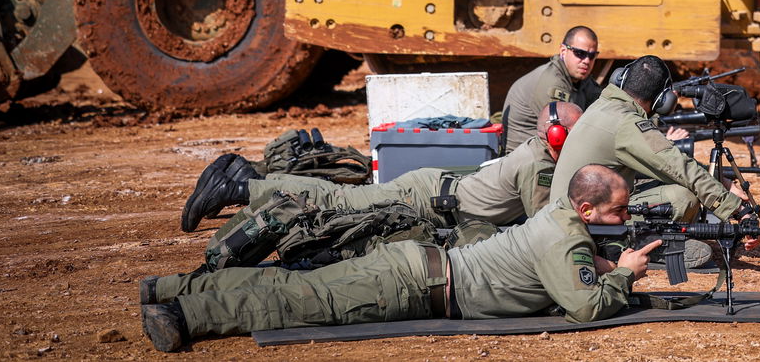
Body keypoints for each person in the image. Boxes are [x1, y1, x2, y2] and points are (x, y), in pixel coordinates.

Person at [140, 165, 661, 351]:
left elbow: (570, 266)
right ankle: (186, 316)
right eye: (616, 212)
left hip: (419, 268)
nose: (621, 219)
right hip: (415, 284)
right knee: (299, 301)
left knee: (297, 287)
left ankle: (169, 290)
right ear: (586, 206)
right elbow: (586, 307)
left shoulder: (558, 220)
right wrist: (627, 277)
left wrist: (605, 263)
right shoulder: (566, 239)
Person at [182, 103, 584, 248]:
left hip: (435, 193)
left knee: (336, 200)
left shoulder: (536, 152)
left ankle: (239, 177)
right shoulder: (538, 165)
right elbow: (542, 225)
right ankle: (237, 187)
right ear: (556, 135)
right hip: (426, 199)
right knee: (336, 202)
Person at [552, 55, 747, 226]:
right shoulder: (627, 124)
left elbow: (672, 165)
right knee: (682, 198)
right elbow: (678, 166)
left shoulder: (603, 106)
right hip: (581, 225)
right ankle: (640, 249)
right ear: (662, 101)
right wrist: (735, 208)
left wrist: (720, 180)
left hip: (568, 214)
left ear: (620, 78)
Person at [500, 25, 604, 153]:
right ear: (563, 51)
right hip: (526, 156)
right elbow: (562, 134)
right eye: (580, 53)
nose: (586, 61)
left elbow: (603, 106)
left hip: (545, 150)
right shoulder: (552, 83)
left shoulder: (580, 79)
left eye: (592, 55)